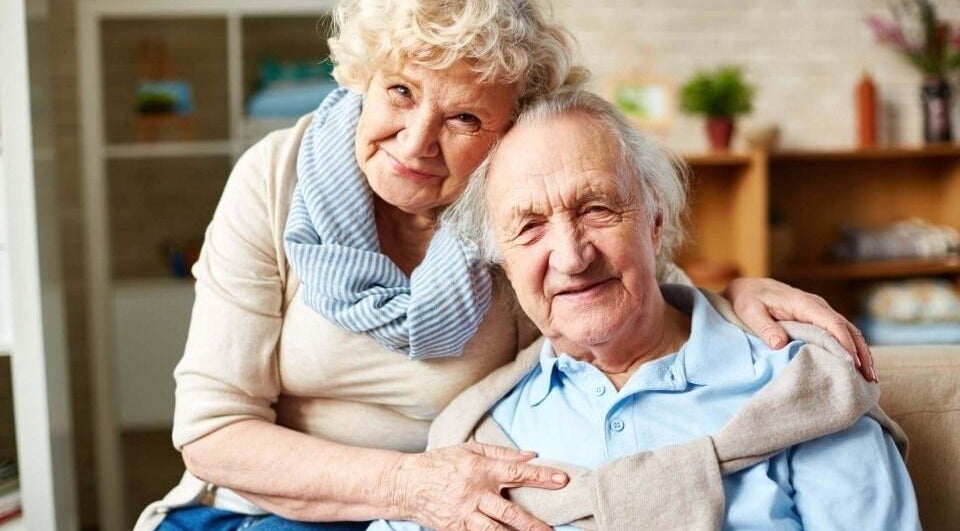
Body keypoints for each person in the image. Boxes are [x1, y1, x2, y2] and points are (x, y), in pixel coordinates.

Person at [138, 1, 877, 530]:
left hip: (446, 511)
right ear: (364, 76)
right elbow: (211, 429)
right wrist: (410, 487)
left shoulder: (511, 222)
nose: (418, 141)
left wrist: (735, 292)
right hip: (265, 510)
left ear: (506, 140)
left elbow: (603, 280)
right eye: (400, 91)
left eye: (464, 118)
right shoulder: (277, 177)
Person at [369, 90, 919, 530]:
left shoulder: (801, 388)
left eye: (597, 208)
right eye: (530, 227)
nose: (571, 256)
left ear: (655, 222)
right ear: (502, 264)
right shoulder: (476, 438)